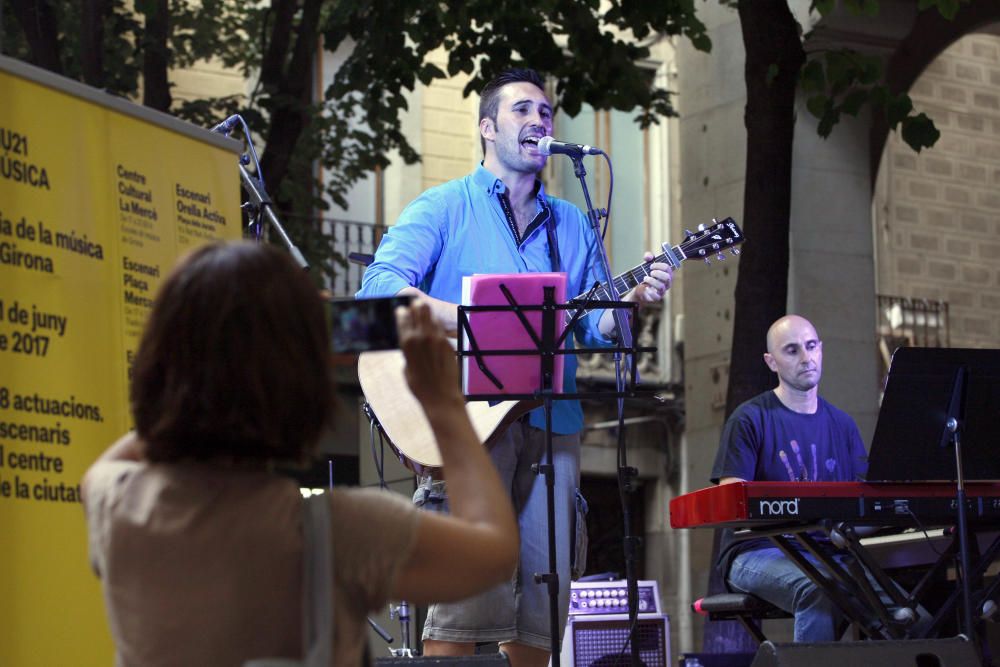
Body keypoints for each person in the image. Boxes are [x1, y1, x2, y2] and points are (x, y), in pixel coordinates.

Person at [357, 68, 673, 666]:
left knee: (541, 608)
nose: (539, 122)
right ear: (487, 129)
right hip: (470, 422)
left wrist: (631, 301)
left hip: (556, 422)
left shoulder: (574, 224)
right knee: (463, 596)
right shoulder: (445, 207)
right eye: (523, 110)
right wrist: (473, 319)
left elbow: (593, 328)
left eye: (547, 113)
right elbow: (379, 291)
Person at [81, 241, 518, 667]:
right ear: (300, 382)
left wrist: (199, 370)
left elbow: (135, 446)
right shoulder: (339, 532)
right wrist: (443, 401)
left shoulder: (118, 503)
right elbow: (494, 551)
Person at [710, 314, 925, 642]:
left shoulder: (843, 425)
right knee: (820, 590)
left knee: (915, 617)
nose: (806, 357)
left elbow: (864, 507)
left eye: (811, 347)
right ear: (772, 362)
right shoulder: (750, 419)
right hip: (755, 552)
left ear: (821, 350)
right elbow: (732, 504)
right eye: (792, 350)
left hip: (830, 555)